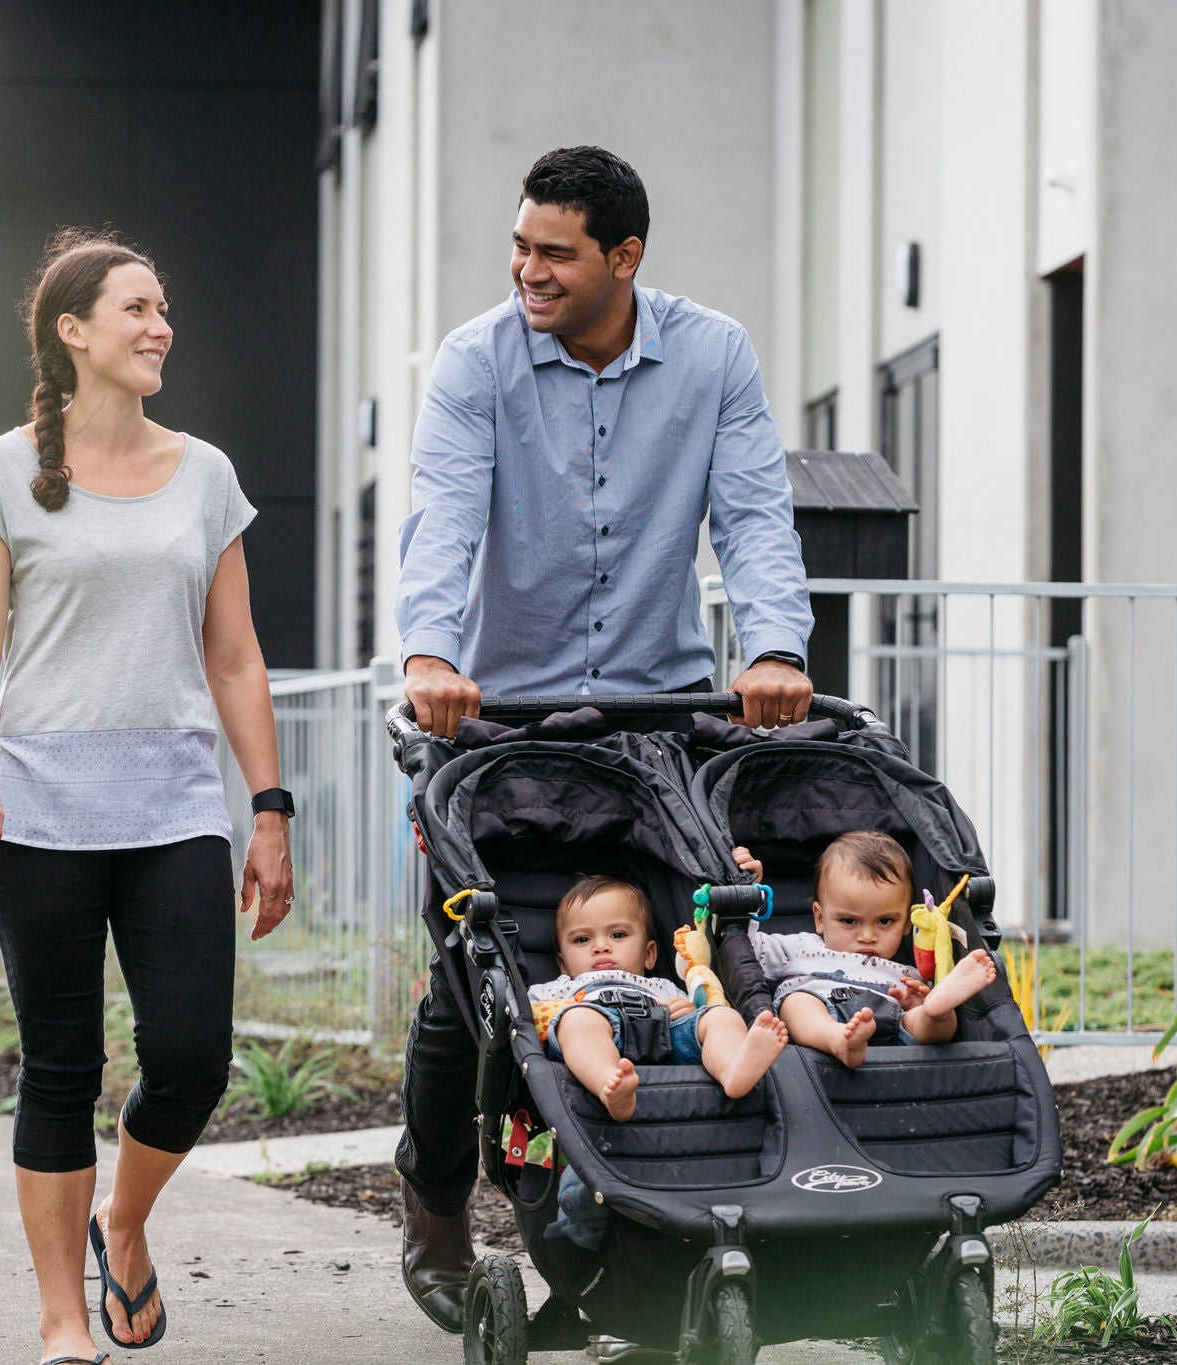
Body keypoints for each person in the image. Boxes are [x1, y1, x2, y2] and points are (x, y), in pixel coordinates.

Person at [391, 145, 816, 1333]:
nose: (524, 268)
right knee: (474, 984)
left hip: (657, 717)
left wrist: (774, 649)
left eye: (553, 252)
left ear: (623, 259)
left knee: (673, 972)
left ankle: (642, 1234)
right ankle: (430, 1204)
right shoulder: (476, 360)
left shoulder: (713, 354)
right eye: (519, 245)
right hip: (498, 725)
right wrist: (429, 654)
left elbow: (754, 519)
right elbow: (441, 516)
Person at [0, 228, 294, 1364]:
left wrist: (271, 807)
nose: (161, 328)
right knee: (61, 1064)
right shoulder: (1, 470)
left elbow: (235, 657)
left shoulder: (207, 477)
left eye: (164, 309)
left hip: (175, 808)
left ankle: (123, 1221)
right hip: (37, 808)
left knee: (190, 1058)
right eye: (137, 309)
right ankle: (60, 1322)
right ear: (73, 329)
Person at [532, 875, 788, 1122]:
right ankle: (610, 1084)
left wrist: (689, 1009)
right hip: (601, 1028)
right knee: (576, 1021)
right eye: (582, 939)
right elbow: (530, 1015)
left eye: (618, 935)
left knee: (721, 1015)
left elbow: (694, 1015)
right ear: (563, 964)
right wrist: (563, 1014)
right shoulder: (559, 987)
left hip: (665, 1028)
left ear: (649, 955)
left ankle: (732, 1066)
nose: (601, 946)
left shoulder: (662, 986)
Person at [734, 833, 997, 1069]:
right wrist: (748, 892)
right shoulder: (801, 947)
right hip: (826, 1009)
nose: (868, 936)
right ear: (820, 918)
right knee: (797, 1002)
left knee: (924, 1020)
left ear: (907, 922)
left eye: (885, 921)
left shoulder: (907, 973)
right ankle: (837, 1038)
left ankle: (938, 1008)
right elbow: (747, 949)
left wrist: (917, 1003)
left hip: (892, 1016)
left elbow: (911, 1009)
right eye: (849, 921)